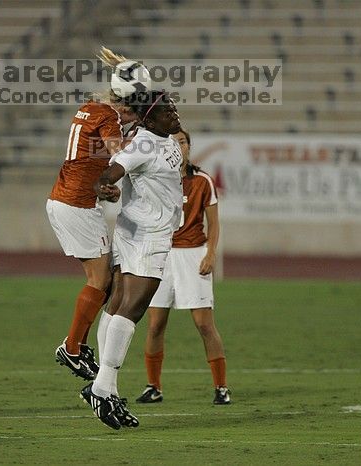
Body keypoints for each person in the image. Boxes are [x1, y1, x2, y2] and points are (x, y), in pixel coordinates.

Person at [81, 90, 184, 430]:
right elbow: (109, 174)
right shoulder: (143, 143)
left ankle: (105, 387)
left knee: (119, 303)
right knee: (134, 308)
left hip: (135, 228)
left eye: (173, 107)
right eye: (167, 111)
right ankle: (103, 387)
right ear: (150, 119)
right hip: (146, 235)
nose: (175, 113)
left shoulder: (162, 135)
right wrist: (104, 188)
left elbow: (145, 97)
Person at [47, 48, 141, 381]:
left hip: (71, 201)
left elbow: (99, 159)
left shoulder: (92, 109)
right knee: (101, 281)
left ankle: (77, 345)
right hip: (76, 205)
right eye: (136, 114)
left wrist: (107, 186)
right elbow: (120, 157)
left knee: (105, 281)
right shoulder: (109, 117)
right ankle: (72, 348)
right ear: (127, 106)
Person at [134, 129, 231, 405]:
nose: (179, 146)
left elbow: (214, 223)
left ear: (189, 147)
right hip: (161, 255)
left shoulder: (202, 182)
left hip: (192, 255)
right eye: (173, 142)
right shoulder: (153, 178)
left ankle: (221, 387)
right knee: (154, 324)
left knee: (203, 323)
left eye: (183, 142)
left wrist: (211, 254)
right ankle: (153, 386)